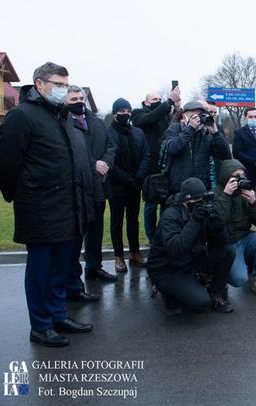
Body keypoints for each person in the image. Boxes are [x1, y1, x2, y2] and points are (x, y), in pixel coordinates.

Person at [0, 62, 93, 347]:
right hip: (39, 208)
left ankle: (57, 315)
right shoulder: (21, 116)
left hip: (66, 206)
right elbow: (7, 163)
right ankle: (40, 326)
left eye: (66, 83)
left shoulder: (60, 116)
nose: (64, 89)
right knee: (40, 271)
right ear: (39, 84)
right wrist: (17, 194)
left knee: (60, 268)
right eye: (58, 84)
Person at [147, 177, 234, 315]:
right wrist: (195, 220)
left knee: (228, 251)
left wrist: (218, 224)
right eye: (196, 202)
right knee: (200, 303)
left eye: (203, 201)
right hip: (167, 268)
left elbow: (222, 243)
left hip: (191, 260)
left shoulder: (202, 210)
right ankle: (169, 294)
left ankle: (216, 293)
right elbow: (175, 249)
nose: (200, 205)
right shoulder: (170, 215)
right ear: (185, 201)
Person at [64, 86, 117, 303]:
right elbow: (70, 154)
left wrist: (105, 163)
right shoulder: (64, 122)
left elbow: (111, 146)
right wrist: (93, 164)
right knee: (76, 237)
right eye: (73, 98)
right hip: (77, 189)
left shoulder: (96, 122)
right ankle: (74, 284)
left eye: (80, 98)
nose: (78, 101)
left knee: (96, 231)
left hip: (98, 186)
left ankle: (94, 268)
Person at [215, 159, 256, 297]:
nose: (240, 180)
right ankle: (220, 277)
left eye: (242, 176)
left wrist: (254, 202)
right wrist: (226, 195)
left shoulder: (245, 193)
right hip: (227, 244)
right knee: (239, 279)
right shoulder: (217, 194)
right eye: (235, 176)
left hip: (244, 238)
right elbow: (217, 223)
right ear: (225, 178)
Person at [132, 87, 181, 242]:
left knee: (166, 203)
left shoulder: (165, 115)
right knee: (151, 205)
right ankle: (151, 237)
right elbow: (150, 118)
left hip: (166, 166)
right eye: (155, 100)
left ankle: (163, 235)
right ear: (146, 102)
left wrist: (177, 107)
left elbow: (176, 122)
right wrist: (168, 102)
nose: (158, 102)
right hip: (150, 169)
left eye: (160, 100)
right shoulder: (138, 114)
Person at [106, 98, 149, 272]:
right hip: (117, 184)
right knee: (116, 221)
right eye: (122, 111)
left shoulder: (138, 132)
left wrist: (138, 177)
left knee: (133, 220)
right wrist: (125, 178)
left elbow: (146, 155)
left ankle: (134, 252)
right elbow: (109, 160)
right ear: (115, 113)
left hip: (135, 184)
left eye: (128, 110)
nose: (126, 114)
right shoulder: (107, 132)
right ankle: (118, 256)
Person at [165, 101, 231, 193]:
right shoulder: (175, 128)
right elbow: (172, 148)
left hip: (201, 186)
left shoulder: (205, 133)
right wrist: (190, 129)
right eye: (194, 116)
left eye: (199, 115)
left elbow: (225, 155)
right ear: (184, 117)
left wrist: (215, 133)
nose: (197, 119)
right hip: (179, 186)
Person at [232, 107, 256, 184]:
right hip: (248, 171)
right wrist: (254, 162)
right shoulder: (239, 133)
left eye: (255, 117)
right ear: (246, 118)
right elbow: (236, 153)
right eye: (250, 117)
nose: (253, 119)